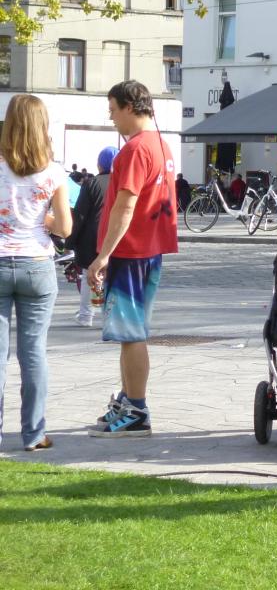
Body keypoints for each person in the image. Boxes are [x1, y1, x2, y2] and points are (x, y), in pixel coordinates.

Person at [87, 81, 179, 438]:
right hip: (150, 250)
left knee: (131, 334)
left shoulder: (135, 150)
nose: (112, 119)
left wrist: (103, 255)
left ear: (129, 106)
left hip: (130, 251)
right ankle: (127, 400)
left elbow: (126, 206)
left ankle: (137, 409)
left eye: (112, 110)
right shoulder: (160, 143)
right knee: (132, 333)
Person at [0, 95, 73, 451]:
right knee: (33, 353)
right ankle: (33, 434)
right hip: (36, 266)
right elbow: (65, 228)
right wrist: (41, 220)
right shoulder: (53, 171)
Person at [67, 147, 118, 328]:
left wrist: (71, 241)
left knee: (90, 275)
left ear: (99, 163)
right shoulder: (123, 182)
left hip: (92, 237)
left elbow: (80, 215)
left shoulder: (92, 183)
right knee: (113, 276)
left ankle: (86, 315)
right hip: (117, 235)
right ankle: (110, 316)